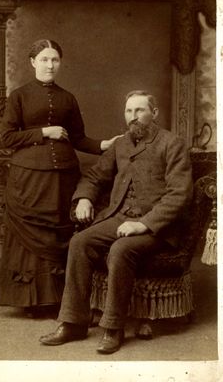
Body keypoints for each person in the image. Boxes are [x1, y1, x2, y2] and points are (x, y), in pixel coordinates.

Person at [39, 90, 193, 353]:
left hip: (156, 226)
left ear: (154, 113)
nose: (133, 117)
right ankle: (73, 322)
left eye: (140, 110)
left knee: (121, 249)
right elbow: (94, 176)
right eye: (129, 111)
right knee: (80, 241)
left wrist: (143, 224)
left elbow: (180, 194)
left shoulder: (172, 143)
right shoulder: (121, 144)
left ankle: (113, 327)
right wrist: (85, 199)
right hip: (119, 217)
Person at [0, 39, 120, 316]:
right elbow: (7, 137)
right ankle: (31, 301)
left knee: (60, 230)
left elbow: (77, 138)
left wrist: (103, 146)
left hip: (63, 177)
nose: (50, 65)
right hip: (29, 179)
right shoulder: (19, 96)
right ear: (32, 62)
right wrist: (44, 132)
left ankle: (61, 300)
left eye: (55, 60)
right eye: (44, 59)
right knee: (33, 235)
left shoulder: (67, 97)